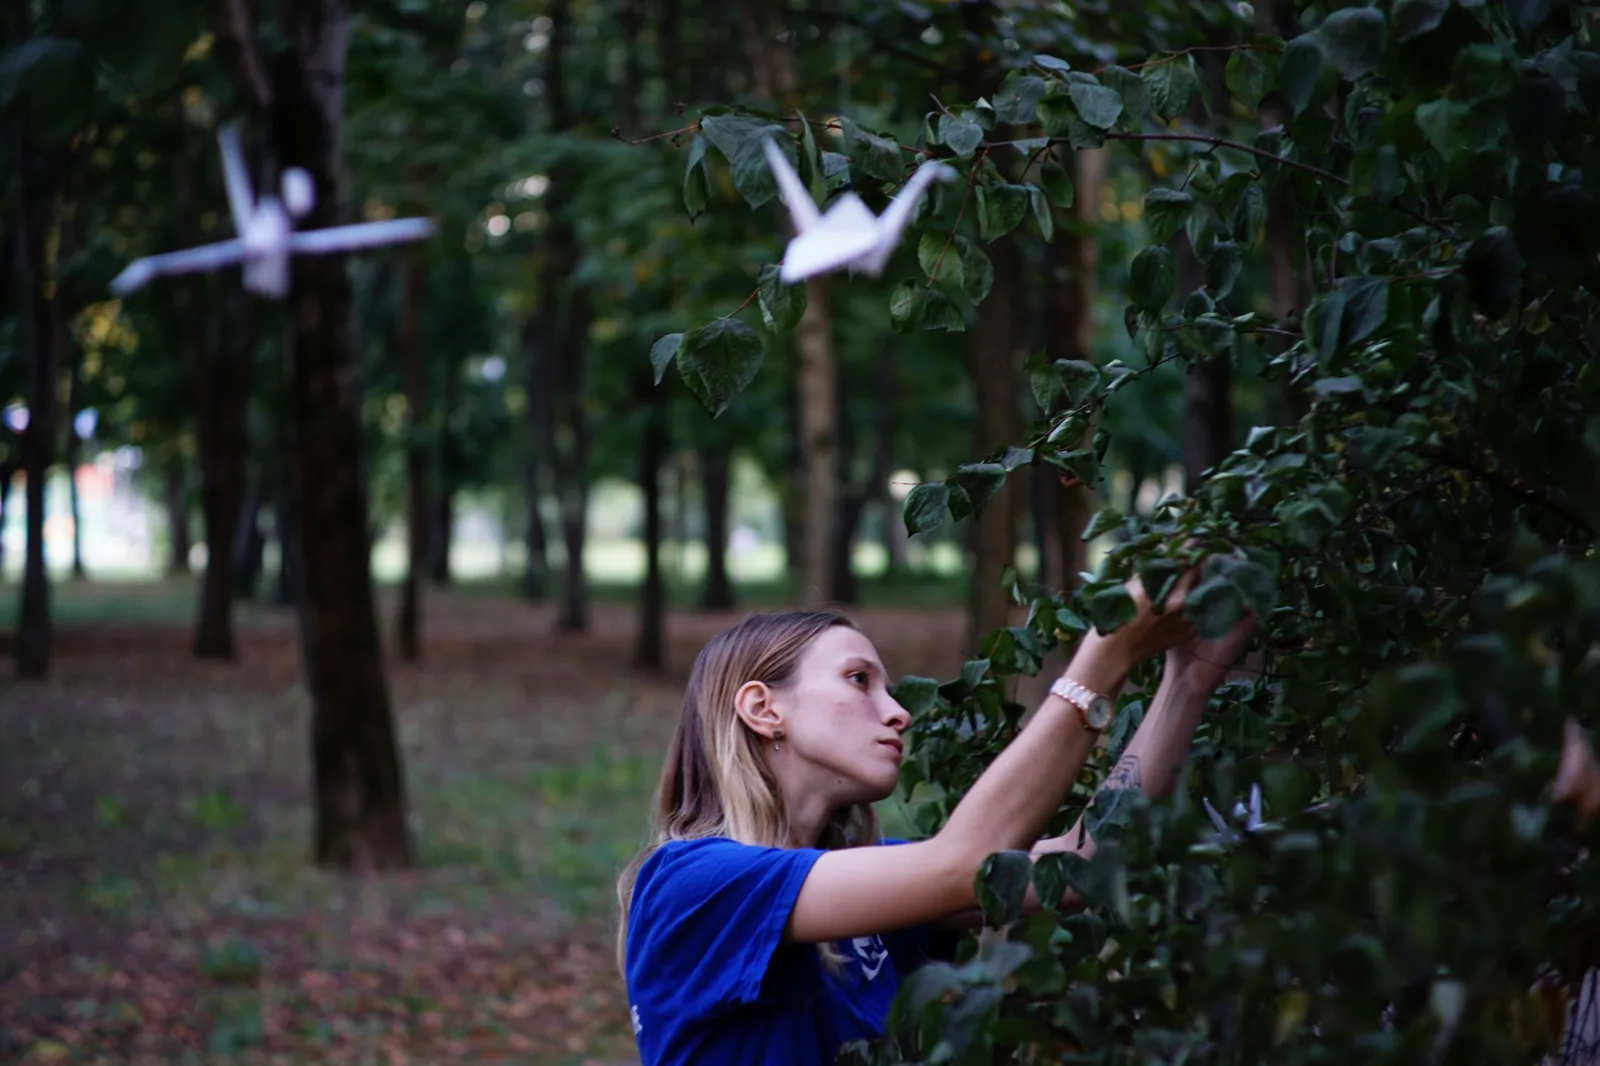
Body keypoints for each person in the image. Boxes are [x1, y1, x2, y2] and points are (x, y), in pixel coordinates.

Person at [616, 571, 1257, 1065]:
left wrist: (1189, 680)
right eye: (859, 680)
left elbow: (1077, 866)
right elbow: (960, 865)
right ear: (762, 708)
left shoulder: (853, 880)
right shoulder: (692, 883)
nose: (898, 712)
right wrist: (1101, 660)